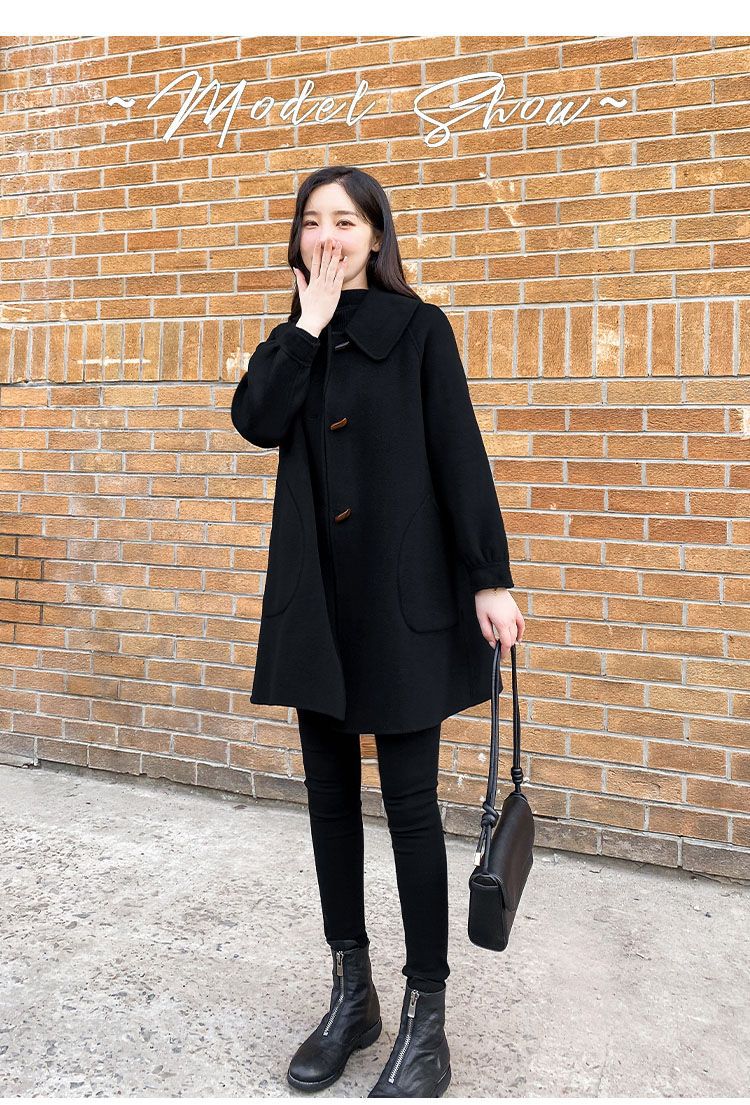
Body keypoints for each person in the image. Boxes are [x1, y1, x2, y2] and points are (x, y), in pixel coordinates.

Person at [230, 165, 525, 1097]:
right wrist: (307, 325)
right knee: (328, 802)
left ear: (376, 236)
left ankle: (426, 1018)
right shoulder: (293, 340)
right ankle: (352, 996)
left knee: (409, 810)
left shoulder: (420, 330)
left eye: (347, 222)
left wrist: (490, 576)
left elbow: (460, 454)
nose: (329, 235)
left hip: (404, 604)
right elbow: (254, 421)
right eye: (313, 221)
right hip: (315, 604)